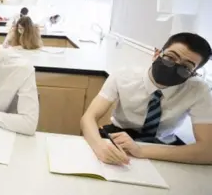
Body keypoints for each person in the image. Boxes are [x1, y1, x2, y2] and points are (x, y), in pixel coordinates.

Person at [81, 32, 212, 165]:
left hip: (164, 144)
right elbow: (89, 117)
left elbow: (208, 151)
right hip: (118, 134)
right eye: (170, 57)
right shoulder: (123, 75)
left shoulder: (198, 89)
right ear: (157, 54)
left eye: (186, 67)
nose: (174, 66)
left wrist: (141, 150)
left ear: (193, 74)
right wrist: (99, 147)